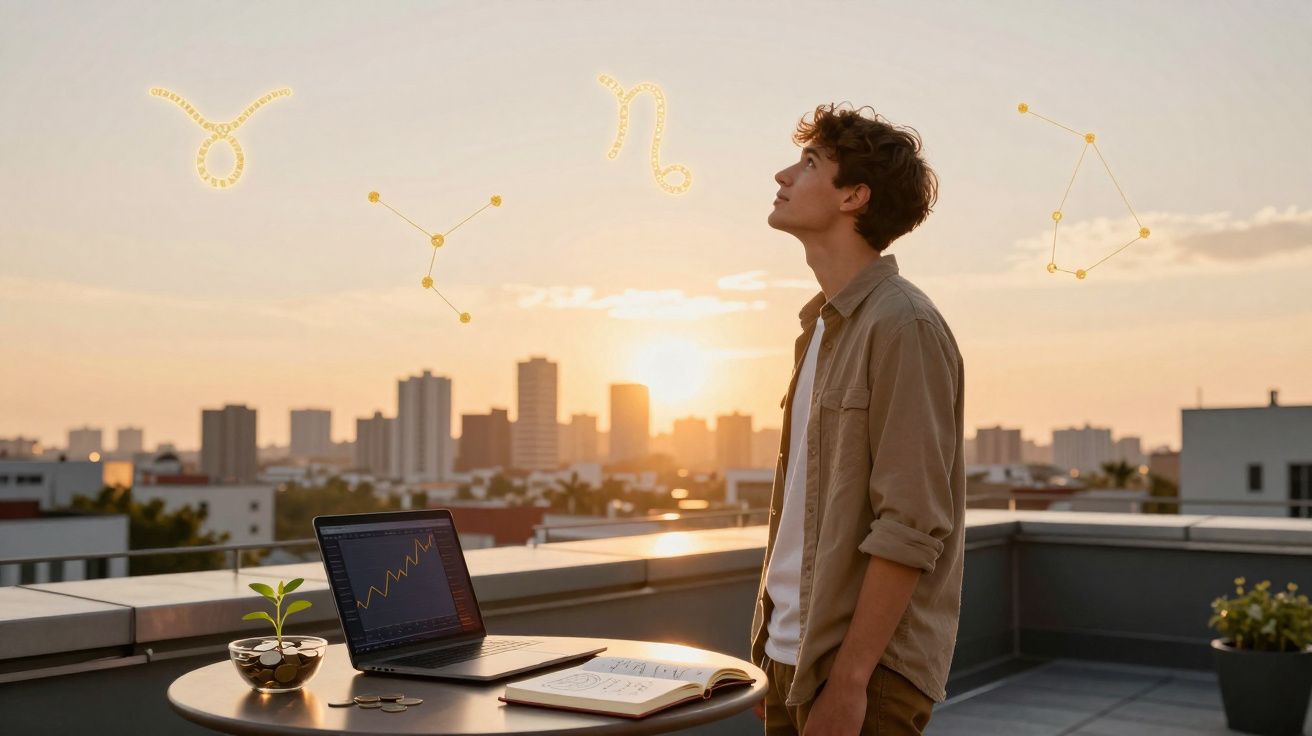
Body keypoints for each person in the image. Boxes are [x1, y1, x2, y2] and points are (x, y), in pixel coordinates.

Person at [750, 103, 965, 735]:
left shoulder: (904, 326)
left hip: (864, 677)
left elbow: (911, 523)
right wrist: (771, 654)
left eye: (810, 162)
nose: (782, 175)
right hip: (794, 659)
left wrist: (847, 683)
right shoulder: (819, 328)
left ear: (854, 197)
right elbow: (801, 516)